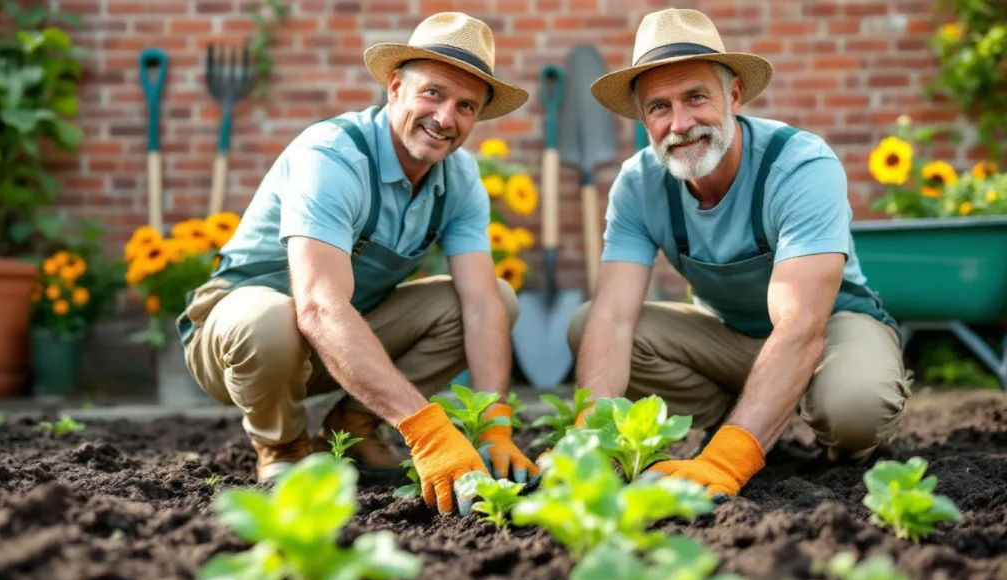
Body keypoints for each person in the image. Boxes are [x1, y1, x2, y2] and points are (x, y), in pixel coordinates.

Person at [176, 12, 539, 514]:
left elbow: (479, 306)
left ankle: (353, 429)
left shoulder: (458, 179)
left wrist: (496, 424)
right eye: (433, 93)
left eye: (465, 106)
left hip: (345, 338)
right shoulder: (333, 156)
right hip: (242, 341)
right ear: (395, 88)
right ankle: (281, 448)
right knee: (272, 319)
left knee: (498, 296)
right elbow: (319, 308)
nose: (445, 118)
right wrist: (426, 430)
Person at [569, 8, 912, 496]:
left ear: (733, 95)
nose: (680, 124)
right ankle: (740, 409)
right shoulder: (638, 184)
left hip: (828, 329)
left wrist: (728, 461)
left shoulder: (798, 165)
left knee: (855, 409)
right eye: (659, 107)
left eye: (695, 98)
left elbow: (801, 325)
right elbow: (613, 318)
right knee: (587, 324)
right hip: (728, 341)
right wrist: (590, 437)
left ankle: (826, 438)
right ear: (643, 118)